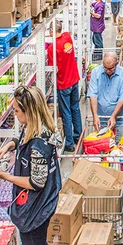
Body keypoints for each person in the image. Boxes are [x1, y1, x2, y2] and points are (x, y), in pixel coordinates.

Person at [0, 86, 63, 245]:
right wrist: (10, 145)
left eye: (16, 111)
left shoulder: (38, 146)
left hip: (35, 209)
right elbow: (22, 138)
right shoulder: (40, 129)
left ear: (29, 112)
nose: (14, 114)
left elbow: (35, 183)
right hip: (45, 203)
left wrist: (6, 177)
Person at [47, 21, 82, 153]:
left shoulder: (52, 48)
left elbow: (53, 68)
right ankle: (78, 136)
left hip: (64, 83)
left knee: (66, 113)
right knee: (75, 108)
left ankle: (69, 143)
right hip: (74, 79)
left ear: (51, 31)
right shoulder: (67, 37)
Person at [87, 52, 123, 134]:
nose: (107, 71)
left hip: (120, 121)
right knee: (103, 144)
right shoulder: (96, 72)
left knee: (121, 144)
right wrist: (95, 115)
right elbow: (93, 95)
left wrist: (113, 116)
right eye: (105, 68)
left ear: (117, 64)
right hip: (101, 120)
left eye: (111, 69)